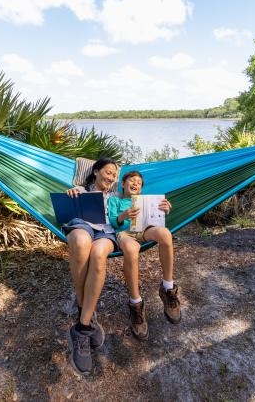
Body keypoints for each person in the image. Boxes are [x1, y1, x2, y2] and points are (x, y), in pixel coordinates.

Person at [62, 158, 119, 375]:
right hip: (83, 226)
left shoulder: (116, 197)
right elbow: (67, 206)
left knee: (98, 253)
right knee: (81, 241)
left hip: (106, 232)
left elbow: (137, 205)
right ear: (95, 172)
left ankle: (83, 325)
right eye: (108, 172)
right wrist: (70, 195)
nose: (111, 177)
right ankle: (84, 307)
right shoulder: (80, 190)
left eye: (114, 175)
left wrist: (162, 206)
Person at [107, 170, 180, 341]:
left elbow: (156, 217)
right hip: (124, 233)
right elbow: (112, 221)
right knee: (132, 250)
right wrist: (123, 216)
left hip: (144, 229)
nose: (135, 184)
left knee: (165, 234)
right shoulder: (115, 200)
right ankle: (135, 303)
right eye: (132, 180)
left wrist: (164, 209)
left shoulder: (146, 201)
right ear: (123, 184)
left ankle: (168, 288)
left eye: (139, 183)